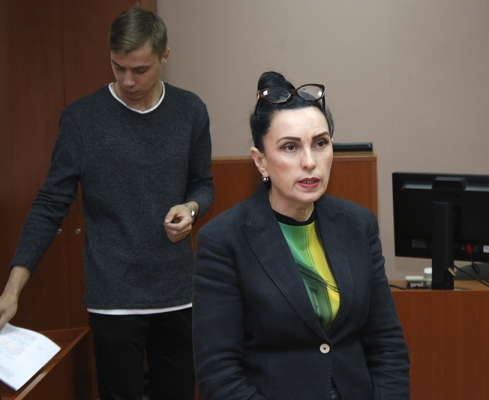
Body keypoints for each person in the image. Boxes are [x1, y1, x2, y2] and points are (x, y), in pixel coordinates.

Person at [0, 6, 213, 400]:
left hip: (176, 294)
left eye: (140, 69)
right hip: (112, 300)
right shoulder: (81, 119)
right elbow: (50, 204)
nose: (128, 80)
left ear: (165, 56)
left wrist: (191, 209)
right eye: (118, 67)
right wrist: (13, 289)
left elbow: (203, 184)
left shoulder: (190, 111)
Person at [192, 71, 410, 399]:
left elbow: (387, 346)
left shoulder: (357, 224)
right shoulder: (224, 240)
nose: (310, 162)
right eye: (290, 147)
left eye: (320, 144)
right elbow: (218, 374)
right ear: (260, 161)